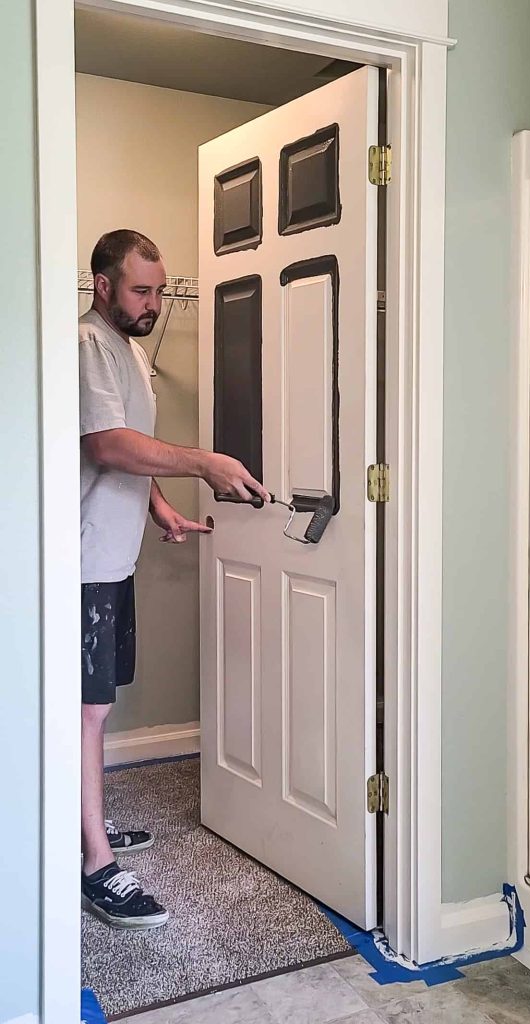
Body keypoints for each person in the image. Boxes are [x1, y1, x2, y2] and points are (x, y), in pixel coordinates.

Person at [80, 229, 269, 930]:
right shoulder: (88, 346)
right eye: (141, 290)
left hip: (112, 553)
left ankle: (83, 828)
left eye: (160, 291)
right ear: (103, 285)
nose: (155, 304)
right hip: (82, 563)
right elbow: (104, 443)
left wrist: (160, 505)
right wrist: (202, 463)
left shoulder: (127, 348)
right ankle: (95, 863)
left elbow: (113, 455)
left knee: (96, 705)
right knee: (87, 712)